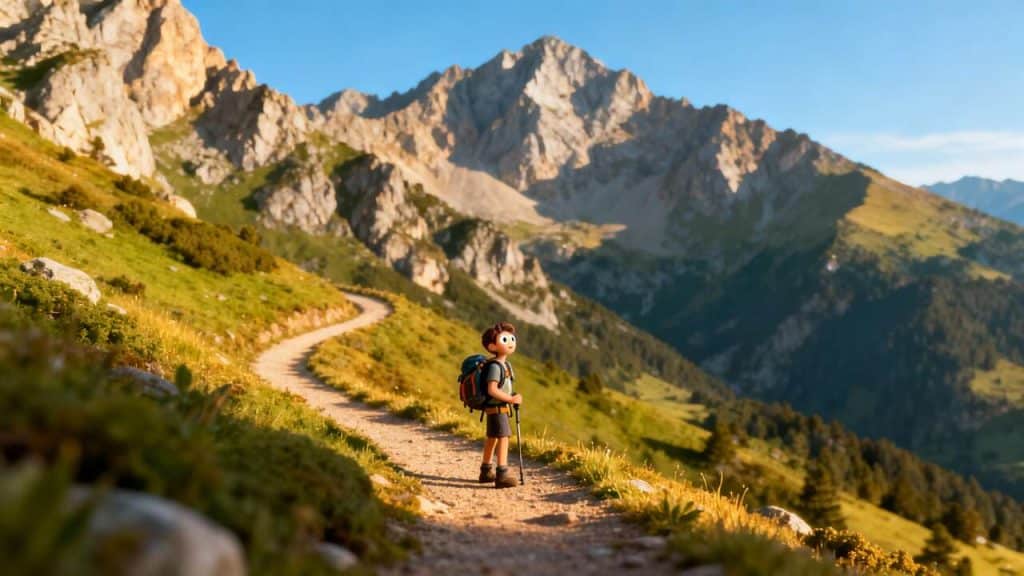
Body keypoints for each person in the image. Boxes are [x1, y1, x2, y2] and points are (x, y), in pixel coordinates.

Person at [478, 322, 523, 489]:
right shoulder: (496, 367)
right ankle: (501, 473)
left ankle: (486, 470)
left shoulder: (505, 365)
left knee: (492, 438)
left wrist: (512, 397)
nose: (511, 342)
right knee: (503, 438)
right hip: (497, 409)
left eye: (512, 338)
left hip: (496, 408)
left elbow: (503, 387)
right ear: (492, 346)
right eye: (505, 339)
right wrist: (511, 400)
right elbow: (492, 390)